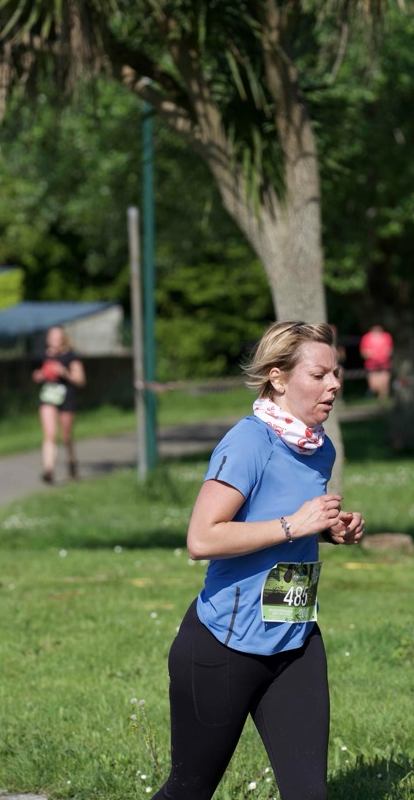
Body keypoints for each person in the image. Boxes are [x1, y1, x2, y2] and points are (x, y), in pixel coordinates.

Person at [153, 321, 365, 800]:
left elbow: (282, 521)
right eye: (319, 375)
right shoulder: (249, 442)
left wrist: (329, 530)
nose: (334, 384)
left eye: (336, 373)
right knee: (189, 790)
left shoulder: (319, 447)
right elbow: (202, 538)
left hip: (294, 639)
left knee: (309, 795)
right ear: (278, 378)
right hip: (225, 644)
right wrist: (295, 523)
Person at [31, 326, 86, 484]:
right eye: (52, 337)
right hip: (48, 397)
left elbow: (81, 380)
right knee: (50, 434)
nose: (54, 340)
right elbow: (37, 373)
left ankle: (71, 462)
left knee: (66, 436)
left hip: (67, 398)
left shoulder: (71, 357)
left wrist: (64, 373)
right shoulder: (42, 356)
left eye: (57, 336)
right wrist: (39, 375)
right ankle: (48, 469)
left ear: (63, 338)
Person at [358, 323, 394, 403]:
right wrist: (370, 355)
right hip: (371, 365)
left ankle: (383, 403)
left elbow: (390, 350)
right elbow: (363, 352)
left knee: (384, 385)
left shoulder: (387, 336)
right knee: (374, 386)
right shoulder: (366, 337)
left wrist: (386, 354)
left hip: (385, 364)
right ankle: (379, 400)